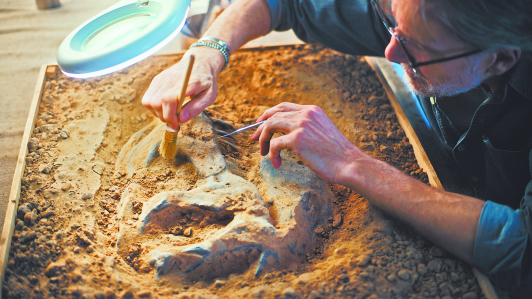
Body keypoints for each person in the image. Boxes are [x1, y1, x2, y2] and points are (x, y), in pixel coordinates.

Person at [141, 0, 532, 296]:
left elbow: (522, 248)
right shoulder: (427, 17)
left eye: (413, 48)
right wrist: (209, 52)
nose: (390, 52)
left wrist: (351, 162)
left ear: (500, 59)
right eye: (390, 23)